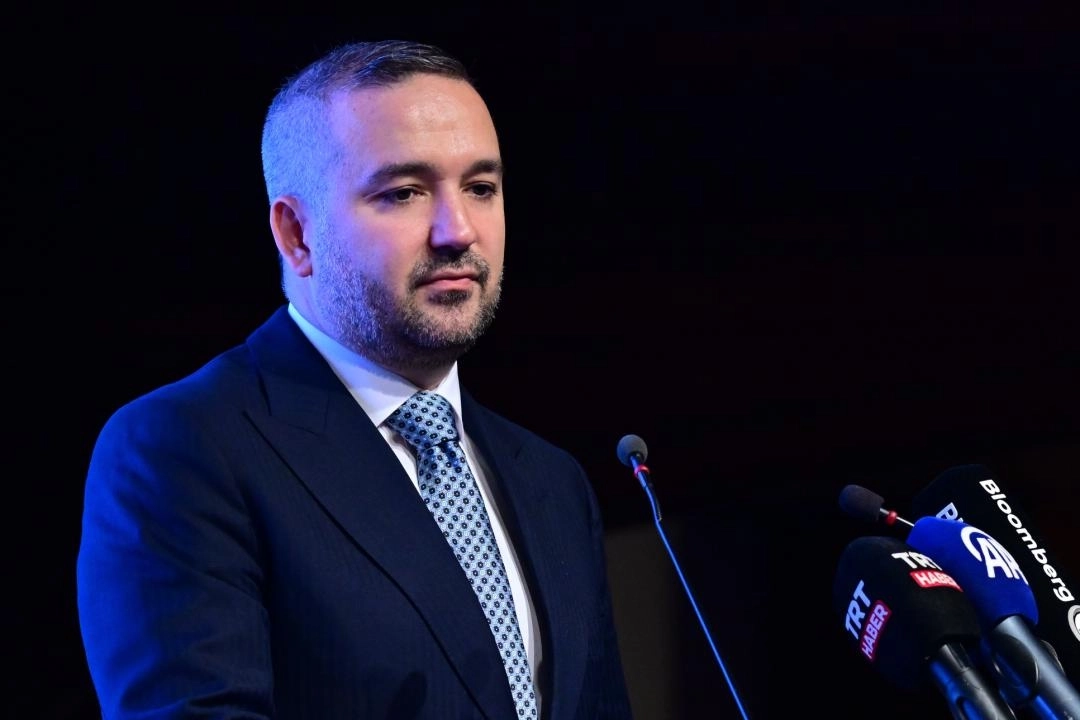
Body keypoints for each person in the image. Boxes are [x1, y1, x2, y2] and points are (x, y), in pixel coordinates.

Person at [76, 39, 633, 719]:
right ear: (296, 234)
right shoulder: (184, 449)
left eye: (481, 188)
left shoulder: (552, 480)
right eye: (404, 193)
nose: (458, 230)